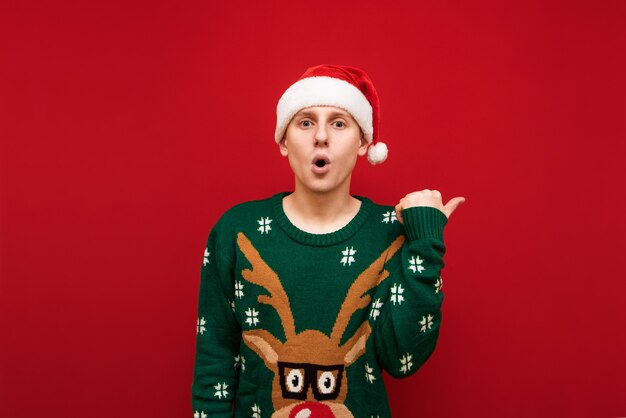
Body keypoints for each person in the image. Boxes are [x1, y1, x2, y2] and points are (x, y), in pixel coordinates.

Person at [191, 64, 465, 418]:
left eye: (339, 122)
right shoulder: (236, 231)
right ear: (283, 142)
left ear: (364, 142)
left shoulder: (390, 234)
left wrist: (425, 244)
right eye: (306, 122)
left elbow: (403, 359)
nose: (321, 136)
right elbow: (215, 356)